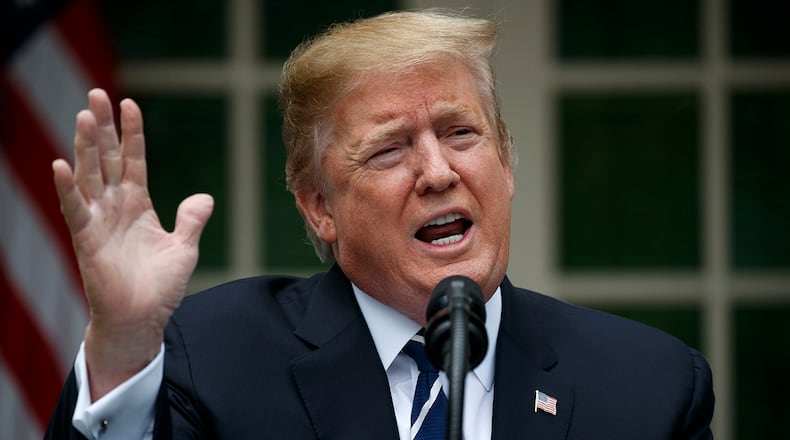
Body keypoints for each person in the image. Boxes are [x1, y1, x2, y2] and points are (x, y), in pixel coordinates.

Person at [45, 9, 714, 440]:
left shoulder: (649, 388)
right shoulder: (211, 362)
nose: (437, 171)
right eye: (390, 149)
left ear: (507, 162)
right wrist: (125, 345)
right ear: (319, 207)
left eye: (460, 132)